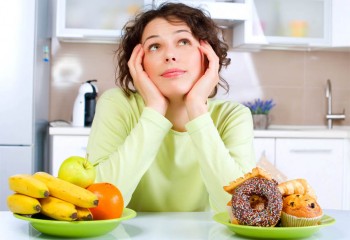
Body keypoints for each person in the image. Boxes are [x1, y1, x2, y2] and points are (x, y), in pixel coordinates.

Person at [86, 2, 256, 213]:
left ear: (206, 56)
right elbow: (97, 204)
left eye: (183, 41)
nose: (170, 55)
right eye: (155, 46)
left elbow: (242, 210)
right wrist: (155, 110)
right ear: (139, 63)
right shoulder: (118, 104)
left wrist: (196, 108)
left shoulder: (233, 116)